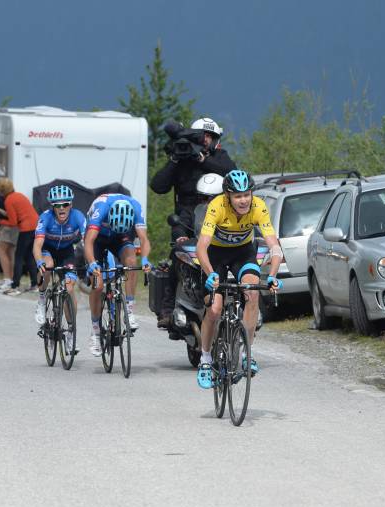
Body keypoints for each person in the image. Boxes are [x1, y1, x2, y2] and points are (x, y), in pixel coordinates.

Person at [194, 170, 283, 389]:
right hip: (215, 255)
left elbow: (274, 246)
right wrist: (210, 273)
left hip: (243, 253)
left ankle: (246, 353)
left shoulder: (258, 206)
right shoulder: (216, 206)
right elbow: (201, 246)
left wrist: (272, 276)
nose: (243, 200)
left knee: (252, 293)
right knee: (214, 309)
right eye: (237, 196)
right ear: (227, 196)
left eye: (247, 194)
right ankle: (205, 360)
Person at [150, 117, 236, 328]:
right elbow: (158, 186)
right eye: (201, 137)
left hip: (218, 216)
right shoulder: (182, 159)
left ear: (216, 140)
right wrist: (175, 159)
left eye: (209, 137)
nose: (205, 140)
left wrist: (201, 159)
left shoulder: (220, 158)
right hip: (187, 217)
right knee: (177, 253)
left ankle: (233, 298)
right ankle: (168, 308)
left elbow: (232, 174)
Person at [84, 193, 152, 356]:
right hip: (98, 237)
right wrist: (92, 263)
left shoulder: (136, 208)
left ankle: (129, 310)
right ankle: (95, 332)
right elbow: (88, 242)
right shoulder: (102, 208)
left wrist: (145, 259)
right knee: (98, 285)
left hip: (121, 236)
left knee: (131, 263)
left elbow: (143, 239)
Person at [33, 186, 86, 339]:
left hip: (67, 252)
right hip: (47, 250)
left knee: (69, 289)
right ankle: (42, 299)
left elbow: (88, 240)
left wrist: (92, 262)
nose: (61, 208)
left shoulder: (78, 216)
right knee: (47, 266)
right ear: (52, 207)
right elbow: (37, 245)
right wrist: (39, 262)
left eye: (65, 204)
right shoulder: (46, 217)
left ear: (71, 205)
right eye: (57, 205)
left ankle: (71, 330)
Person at [0, 177, 38, 295]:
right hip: (36, 226)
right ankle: (34, 284)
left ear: (0, 191)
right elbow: (20, 213)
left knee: (19, 257)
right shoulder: (19, 195)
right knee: (29, 257)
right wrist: (5, 213)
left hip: (26, 229)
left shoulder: (8, 200)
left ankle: (15, 285)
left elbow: (13, 223)